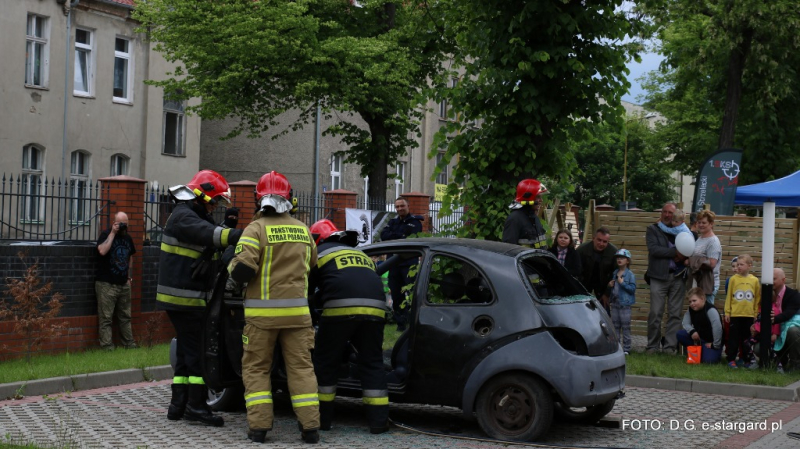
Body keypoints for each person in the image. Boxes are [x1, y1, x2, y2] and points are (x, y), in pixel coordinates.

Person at [228, 171, 320, 444]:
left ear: (259, 199)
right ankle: (310, 428)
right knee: (302, 369)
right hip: (298, 317)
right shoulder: (303, 229)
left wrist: (231, 264)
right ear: (289, 198)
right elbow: (313, 265)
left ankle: (259, 429)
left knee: (256, 369)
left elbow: (243, 269)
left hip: (262, 318)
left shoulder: (255, 229)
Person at [157, 170, 242, 427]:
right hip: (185, 299)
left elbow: (208, 247)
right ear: (201, 195)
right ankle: (196, 406)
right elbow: (214, 235)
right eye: (214, 201)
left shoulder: (189, 214)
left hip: (186, 298)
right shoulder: (184, 217)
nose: (215, 206)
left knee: (184, 351)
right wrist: (247, 236)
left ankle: (178, 406)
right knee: (196, 353)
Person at [308, 219, 389, 435]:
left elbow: (306, 289)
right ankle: (378, 423)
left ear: (318, 239)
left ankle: (322, 421)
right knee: (372, 362)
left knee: (326, 363)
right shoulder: (361, 254)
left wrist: (311, 312)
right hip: (376, 311)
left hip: (338, 311)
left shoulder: (319, 253)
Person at [645, 202, 686, 354]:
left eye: (671, 213)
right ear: (661, 213)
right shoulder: (653, 229)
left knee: (675, 314)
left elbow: (689, 248)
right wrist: (676, 253)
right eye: (665, 212)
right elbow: (654, 250)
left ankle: (670, 347)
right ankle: (652, 346)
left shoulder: (682, 231)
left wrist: (683, 254)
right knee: (655, 313)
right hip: (658, 276)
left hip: (678, 276)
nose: (668, 215)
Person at [95, 211, 136, 351]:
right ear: (114, 222)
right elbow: (102, 251)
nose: (124, 227)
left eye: (126, 224)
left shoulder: (128, 238)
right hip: (107, 284)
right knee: (106, 318)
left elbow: (131, 256)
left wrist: (129, 277)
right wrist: (113, 233)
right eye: (121, 223)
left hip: (123, 283)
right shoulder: (106, 235)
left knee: (125, 316)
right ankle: (107, 347)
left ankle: (129, 344)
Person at [380, 197, 422, 331]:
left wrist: (394, 235)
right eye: (397, 207)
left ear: (408, 206)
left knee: (412, 293)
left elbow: (411, 237)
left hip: (409, 263)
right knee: (397, 295)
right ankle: (401, 324)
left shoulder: (415, 222)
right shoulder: (392, 222)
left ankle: (414, 321)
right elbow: (384, 235)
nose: (399, 209)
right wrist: (400, 235)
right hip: (394, 263)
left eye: (402, 206)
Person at [724, 254, 760, 368]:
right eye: (737, 264)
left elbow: (757, 299)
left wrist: (755, 314)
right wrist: (727, 312)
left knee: (746, 339)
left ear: (749, 266)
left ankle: (745, 359)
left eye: (741, 264)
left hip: (749, 315)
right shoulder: (733, 279)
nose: (738, 267)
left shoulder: (754, 280)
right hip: (735, 314)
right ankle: (731, 359)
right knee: (733, 338)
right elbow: (729, 296)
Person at [676, 287, 723, 363]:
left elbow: (717, 327)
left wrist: (715, 345)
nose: (692, 304)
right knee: (680, 334)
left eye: (694, 301)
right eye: (690, 302)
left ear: (702, 299)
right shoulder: (691, 309)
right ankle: (698, 351)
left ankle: (709, 353)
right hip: (699, 339)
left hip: (711, 341)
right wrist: (692, 331)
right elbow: (685, 323)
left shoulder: (710, 310)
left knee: (709, 361)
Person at [576, 227, 618, 310]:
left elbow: (617, 274)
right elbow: (576, 271)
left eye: (605, 242)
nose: (601, 243)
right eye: (599, 240)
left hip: (604, 285)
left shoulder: (614, 252)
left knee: (604, 310)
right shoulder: (582, 250)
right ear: (593, 238)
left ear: (608, 242)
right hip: (584, 283)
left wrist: (607, 293)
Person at [502, 178, 548, 249]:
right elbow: (509, 249)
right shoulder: (514, 219)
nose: (541, 200)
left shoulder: (534, 218)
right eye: (538, 197)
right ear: (528, 198)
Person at [688, 210, 722, 304]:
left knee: (706, 313)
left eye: (704, 222)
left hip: (708, 283)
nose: (701, 225)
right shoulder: (700, 238)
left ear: (711, 224)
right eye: (699, 222)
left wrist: (691, 261)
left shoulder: (713, 241)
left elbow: (711, 263)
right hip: (698, 281)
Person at [607, 249, 635, 354]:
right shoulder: (615, 272)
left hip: (625, 305)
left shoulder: (630, 275)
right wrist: (610, 285)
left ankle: (626, 349)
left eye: (622, 258)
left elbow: (632, 289)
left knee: (626, 327)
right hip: (615, 303)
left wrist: (622, 283)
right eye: (618, 258)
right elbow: (614, 287)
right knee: (615, 327)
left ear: (627, 261)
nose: (619, 259)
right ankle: (617, 348)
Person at [772, 268, 800, 371]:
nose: (771, 281)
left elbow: (787, 315)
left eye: (774, 279)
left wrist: (770, 320)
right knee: (758, 348)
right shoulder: (765, 294)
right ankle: (774, 361)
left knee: (793, 331)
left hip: (786, 329)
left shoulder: (794, 295)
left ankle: (795, 363)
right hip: (773, 331)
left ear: (783, 280)